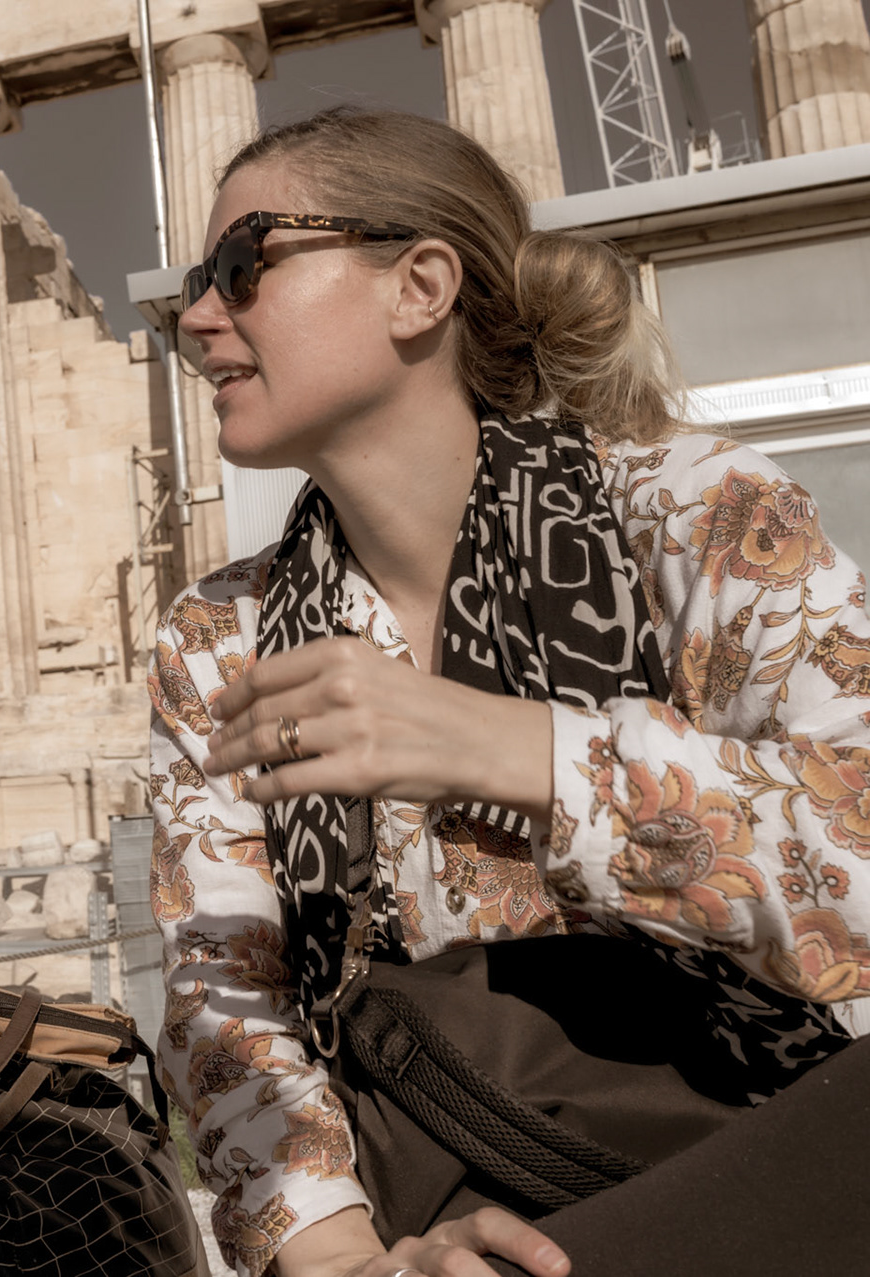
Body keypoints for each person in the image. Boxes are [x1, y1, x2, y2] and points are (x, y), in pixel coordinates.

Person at [150, 108, 870, 1277]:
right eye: (197, 279)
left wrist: (530, 752)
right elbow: (224, 993)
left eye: (246, 264)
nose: (196, 314)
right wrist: (344, 1262)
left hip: (769, 1153)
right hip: (448, 1202)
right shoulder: (218, 634)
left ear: (420, 284)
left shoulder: (695, 513)